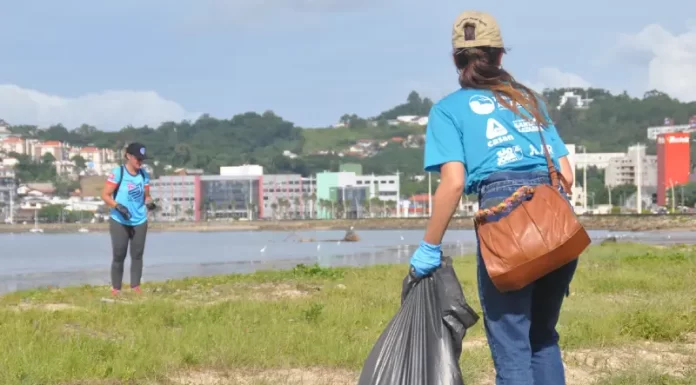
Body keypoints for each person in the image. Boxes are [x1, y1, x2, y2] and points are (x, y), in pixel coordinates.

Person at [409, 10, 577, 385]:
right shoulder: (528, 100)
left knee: (511, 344)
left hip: (505, 224)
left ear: (456, 59)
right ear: (500, 55)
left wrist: (429, 248)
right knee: (543, 338)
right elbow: (567, 173)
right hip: (556, 224)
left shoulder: (447, 111)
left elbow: (453, 183)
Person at [101, 142, 156, 296]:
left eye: (142, 159)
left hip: (139, 220)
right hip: (120, 219)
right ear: (128, 156)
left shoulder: (144, 175)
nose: (140, 162)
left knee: (137, 254)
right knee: (119, 254)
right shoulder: (119, 173)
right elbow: (105, 195)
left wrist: (150, 202)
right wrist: (117, 206)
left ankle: (135, 286)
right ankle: (116, 288)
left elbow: (146, 195)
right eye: (137, 158)